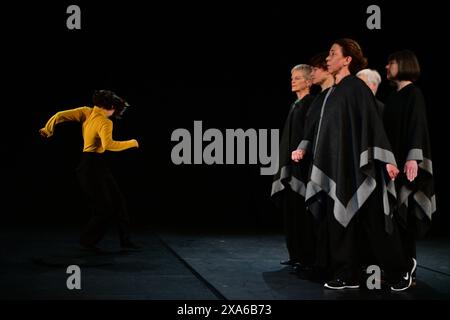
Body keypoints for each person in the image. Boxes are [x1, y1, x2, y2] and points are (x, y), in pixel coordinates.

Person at [292, 39, 415, 291]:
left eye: (333, 53)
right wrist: (304, 148)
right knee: (339, 221)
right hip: (337, 166)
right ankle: (346, 272)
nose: (328, 58)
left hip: (360, 167)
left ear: (347, 60)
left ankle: (400, 270)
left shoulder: (356, 88)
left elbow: (372, 124)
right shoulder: (331, 93)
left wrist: (387, 159)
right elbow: (320, 128)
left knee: (375, 223)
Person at [39, 90, 140, 251]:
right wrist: (132, 142)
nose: (114, 114)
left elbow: (59, 115)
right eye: (115, 110)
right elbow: (109, 145)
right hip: (91, 167)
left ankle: (125, 240)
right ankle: (87, 241)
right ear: (111, 107)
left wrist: (47, 129)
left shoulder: (87, 112)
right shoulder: (106, 122)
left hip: (95, 164)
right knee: (104, 208)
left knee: (119, 201)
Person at [384, 50, 435, 288]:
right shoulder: (394, 97)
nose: (387, 66)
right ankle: (399, 265)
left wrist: (413, 158)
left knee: (404, 216)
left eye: (391, 63)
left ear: (403, 65)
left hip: (407, 163)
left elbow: (418, 125)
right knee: (394, 217)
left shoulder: (413, 93)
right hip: (393, 164)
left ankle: (408, 266)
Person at [271, 64, 315, 269]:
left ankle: (305, 256)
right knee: (290, 214)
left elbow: (308, 136)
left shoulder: (309, 104)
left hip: (301, 167)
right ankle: (295, 254)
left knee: (301, 214)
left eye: (297, 78)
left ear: (308, 81)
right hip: (289, 166)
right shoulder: (295, 105)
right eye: (292, 77)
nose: (293, 80)